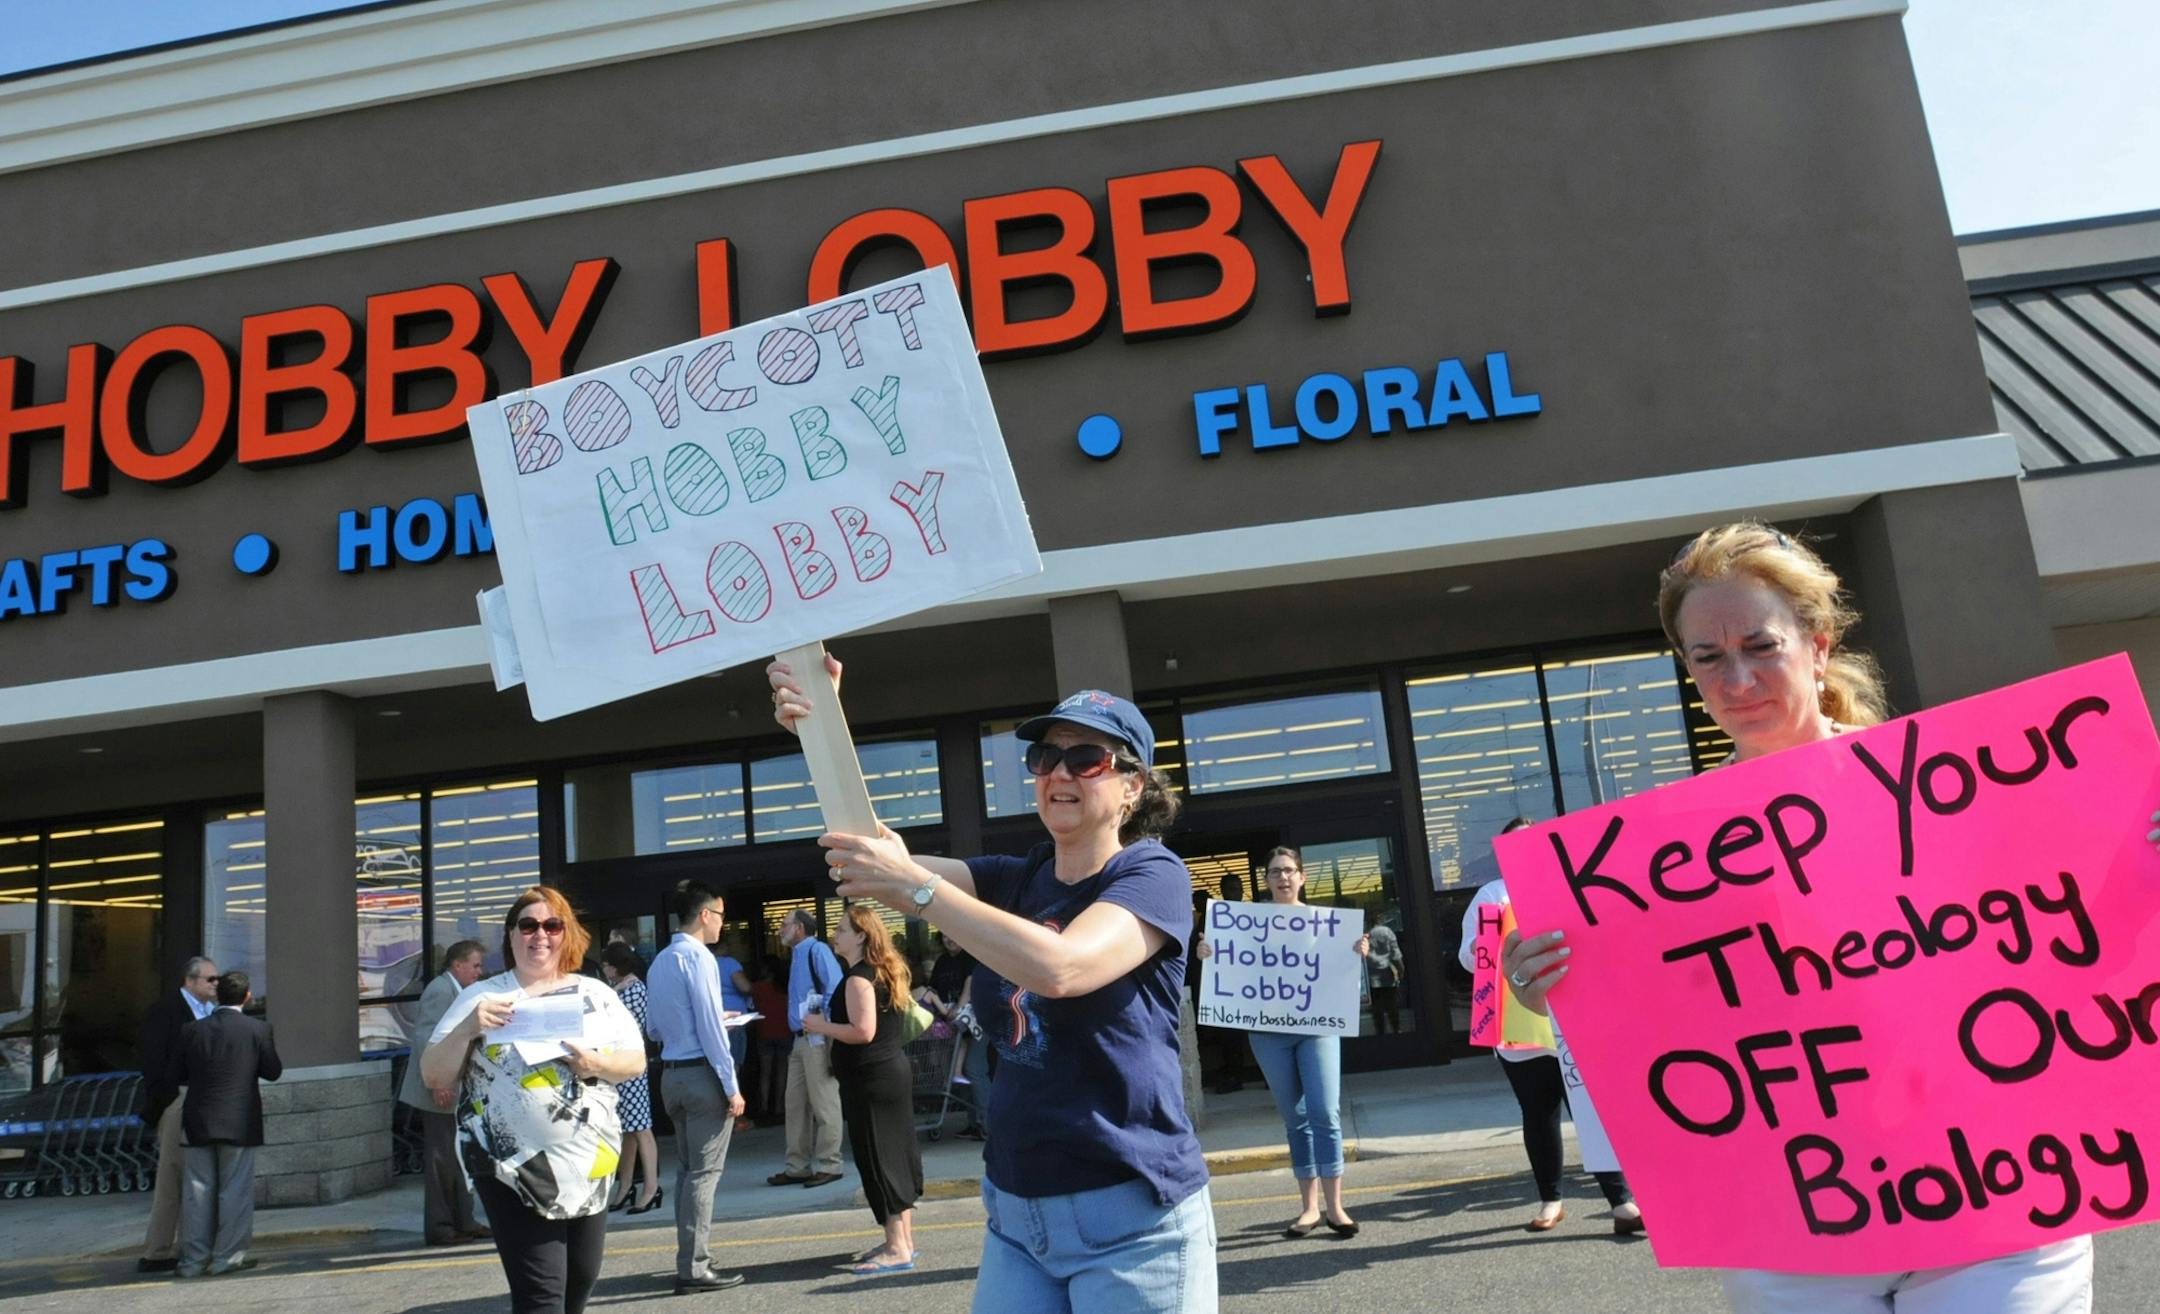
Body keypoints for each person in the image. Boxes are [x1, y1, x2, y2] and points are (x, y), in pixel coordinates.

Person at [1503, 521, 2148, 1312]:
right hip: (1798, 1226)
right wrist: (1556, 992)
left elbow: (2076, 944)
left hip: (2002, 1200)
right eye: (1708, 656)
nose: (1736, 677)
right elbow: (1652, 1028)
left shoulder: (1957, 793)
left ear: (1817, 642)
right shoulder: (1653, 863)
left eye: (1761, 645)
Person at [772, 668, 1216, 1314]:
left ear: (1131, 786)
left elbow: (1060, 968)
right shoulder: (1023, 876)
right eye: (1045, 757)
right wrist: (822, 729)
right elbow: (873, 858)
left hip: (1132, 1222)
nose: (1059, 773)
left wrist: (919, 893)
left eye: (1086, 758)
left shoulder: (1153, 876)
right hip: (1016, 1218)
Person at [421, 887, 645, 1314]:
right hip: (510, 1165)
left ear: (566, 934)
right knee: (541, 1295)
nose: (539, 935)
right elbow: (433, 1073)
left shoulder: (594, 993)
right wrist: (469, 1027)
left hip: (589, 1161)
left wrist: (593, 1063)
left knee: (579, 1281)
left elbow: (633, 1061)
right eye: (528, 925)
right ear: (511, 935)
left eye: (551, 925)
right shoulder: (481, 997)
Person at [1458, 821, 1642, 1235]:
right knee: (1538, 1115)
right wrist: (1482, 947)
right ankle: (1551, 1199)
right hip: (1520, 1024)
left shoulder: (1569, 885)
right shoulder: (1492, 895)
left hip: (1573, 1020)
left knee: (1591, 1113)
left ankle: (1621, 1200)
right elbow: (1469, 960)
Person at [1200, 847, 1369, 1239]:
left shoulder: (1325, 924)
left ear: (1302, 877)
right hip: (1269, 1033)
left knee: (1325, 1112)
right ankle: (1309, 1208)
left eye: (1290, 870)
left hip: (1317, 1027)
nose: (1283, 878)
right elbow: (1229, 966)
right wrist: (1208, 952)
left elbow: (1341, 973)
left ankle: (1336, 1208)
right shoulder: (1245, 923)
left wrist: (1357, 953)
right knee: (1295, 1118)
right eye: (1275, 872)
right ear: (1267, 880)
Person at [803, 904, 925, 1276]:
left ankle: (897, 1248)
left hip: (872, 1080)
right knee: (894, 1156)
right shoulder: (880, 973)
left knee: (878, 1159)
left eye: (841, 929)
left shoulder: (859, 978)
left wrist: (820, 1026)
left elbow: (863, 1031)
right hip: (885, 1076)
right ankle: (902, 1239)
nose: (834, 935)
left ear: (860, 936)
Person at [643, 880, 749, 1294]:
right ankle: (693, 1267)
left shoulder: (660, 960)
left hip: (671, 1072)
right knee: (704, 1175)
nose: (723, 923)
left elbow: (653, 1026)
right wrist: (732, 1085)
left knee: (688, 1172)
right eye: (721, 915)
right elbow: (708, 1027)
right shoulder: (700, 958)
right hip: (702, 1074)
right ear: (704, 914)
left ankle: (692, 1253)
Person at [170, 969, 283, 1277]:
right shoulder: (258, 1029)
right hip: (239, 1120)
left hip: (198, 1119)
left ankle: (193, 1261)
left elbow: (177, 1074)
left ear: (218, 996)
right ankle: (227, 1257)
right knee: (234, 1191)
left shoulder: (192, 1030)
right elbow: (273, 1071)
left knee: (197, 1193)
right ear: (247, 997)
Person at [399, 940, 490, 1246]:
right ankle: (441, 1228)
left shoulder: (455, 990)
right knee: (442, 1159)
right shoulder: (440, 990)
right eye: (475, 965)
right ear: (458, 965)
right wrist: (439, 1082)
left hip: (452, 1088)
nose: (479, 971)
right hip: (439, 1088)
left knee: (457, 1157)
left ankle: (463, 1220)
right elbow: (428, 1037)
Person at [137, 955, 219, 1273]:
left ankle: (189, 1245)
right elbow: (153, 1061)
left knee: (195, 1177)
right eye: (210, 979)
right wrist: (169, 1100)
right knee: (172, 1176)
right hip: (178, 1099)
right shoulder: (166, 1010)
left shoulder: (211, 1011)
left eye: (217, 979)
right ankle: (159, 1251)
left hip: (205, 1099)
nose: (216, 984)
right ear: (190, 981)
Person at [771, 908, 845, 1188]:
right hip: (801, 1039)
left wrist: (821, 1022)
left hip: (815, 1037)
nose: (780, 929)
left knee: (825, 1103)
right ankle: (797, 1166)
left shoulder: (817, 951)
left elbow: (835, 989)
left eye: (784, 924)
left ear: (800, 927)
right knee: (796, 1104)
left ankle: (829, 1164)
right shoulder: (800, 954)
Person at [598, 943, 662, 1216]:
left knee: (640, 1128)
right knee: (629, 1130)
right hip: (622, 1065)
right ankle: (625, 1186)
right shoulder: (624, 988)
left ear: (615, 966)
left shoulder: (633, 990)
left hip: (630, 1065)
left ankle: (650, 1186)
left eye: (606, 964)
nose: (604, 969)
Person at [749, 955, 792, 1124]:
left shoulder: (757, 987)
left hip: (764, 1032)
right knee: (782, 1071)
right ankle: (779, 1107)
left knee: (765, 1072)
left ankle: (764, 1106)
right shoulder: (785, 988)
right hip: (784, 1031)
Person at [1363, 915, 1404, 1035]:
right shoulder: (1387, 932)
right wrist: (1401, 971)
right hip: (1387, 973)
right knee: (1392, 1005)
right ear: (1379, 920)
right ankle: (1396, 1029)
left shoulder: (1365, 935)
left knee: (1376, 1009)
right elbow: (1396, 954)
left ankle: (1380, 1032)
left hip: (1371, 976)